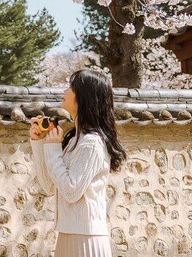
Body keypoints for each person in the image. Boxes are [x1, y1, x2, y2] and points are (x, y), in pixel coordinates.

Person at [28, 69, 128, 256]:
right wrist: (40, 142)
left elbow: (71, 190)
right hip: (69, 235)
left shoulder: (91, 143)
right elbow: (49, 186)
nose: (64, 91)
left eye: (70, 87)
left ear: (84, 97)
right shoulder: (75, 140)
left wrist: (53, 149)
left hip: (85, 239)